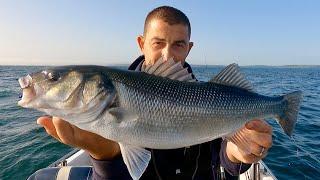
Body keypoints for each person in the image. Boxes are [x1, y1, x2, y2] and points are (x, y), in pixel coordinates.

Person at [37, 6, 272, 180]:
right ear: (142, 43)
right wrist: (104, 155)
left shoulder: (209, 97)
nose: (167, 55)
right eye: (158, 43)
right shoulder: (112, 96)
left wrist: (237, 153)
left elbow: (224, 158)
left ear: (189, 48)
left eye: (179, 45)